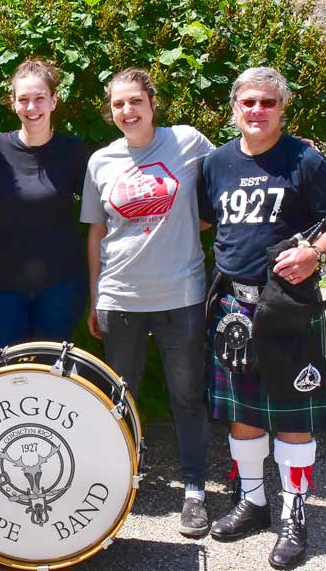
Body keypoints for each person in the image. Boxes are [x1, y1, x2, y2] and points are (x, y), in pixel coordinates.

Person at [198, 67, 326, 569]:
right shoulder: (216, 162)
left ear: (281, 108)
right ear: (234, 108)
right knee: (242, 415)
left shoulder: (304, 160)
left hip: (287, 303)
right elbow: (204, 221)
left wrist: (315, 255)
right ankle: (254, 501)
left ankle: (293, 513)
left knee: (292, 419)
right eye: (248, 102)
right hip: (234, 306)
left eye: (267, 102)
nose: (257, 111)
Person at [80, 68, 214, 538]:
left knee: (187, 397)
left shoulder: (189, 143)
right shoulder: (101, 161)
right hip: (121, 297)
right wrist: (96, 296)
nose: (127, 111)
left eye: (135, 101)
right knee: (121, 396)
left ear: (152, 103)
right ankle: (120, 484)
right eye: (118, 104)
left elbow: (221, 192)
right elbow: (97, 232)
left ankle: (195, 488)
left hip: (181, 296)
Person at [0, 58, 89, 352]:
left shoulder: (72, 151)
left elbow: (96, 215)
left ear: (54, 101)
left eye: (40, 98)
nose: (32, 108)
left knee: (52, 373)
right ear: (14, 104)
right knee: (5, 372)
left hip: (61, 286)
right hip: (6, 287)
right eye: (24, 100)